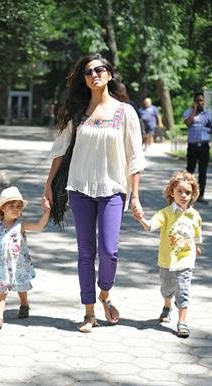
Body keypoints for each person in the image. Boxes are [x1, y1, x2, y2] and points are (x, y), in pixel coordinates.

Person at [44, 54, 147, 333]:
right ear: (84, 79)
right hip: (80, 188)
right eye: (88, 72)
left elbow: (134, 156)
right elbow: (60, 149)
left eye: (99, 69)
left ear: (110, 75)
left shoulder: (126, 112)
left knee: (109, 251)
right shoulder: (78, 113)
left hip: (113, 189)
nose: (94, 74)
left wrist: (135, 195)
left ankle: (104, 293)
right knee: (85, 252)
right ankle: (89, 313)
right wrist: (48, 185)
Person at [133, 171, 202, 338]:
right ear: (172, 192)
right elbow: (150, 226)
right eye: (180, 191)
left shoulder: (195, 216)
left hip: (186, 260)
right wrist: (141, 218)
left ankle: (182, 322)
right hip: (167, 260)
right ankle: (167, 305)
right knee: (166, 289)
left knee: (183, 290)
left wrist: (197, 247)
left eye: (188, 192)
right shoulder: (165, 213)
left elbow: (197, 234)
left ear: (193, 195)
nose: (184, 196)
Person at [0, 186, 50, 329]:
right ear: (2, 208)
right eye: (12, 206)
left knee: (21, 288)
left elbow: (39, 226)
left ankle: (24, 305)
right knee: (1, 293)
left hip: (18, 265)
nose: (16, 209)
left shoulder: (21, 225)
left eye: (19, 206)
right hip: (1, 267)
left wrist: (46, 212)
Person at [184, 93, 212, 206]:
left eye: (202, 101)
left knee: (203, 172)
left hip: (204, 146)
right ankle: (187, 194)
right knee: (190, 170)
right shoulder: (188, 112)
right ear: (194, 101)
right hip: (192, 145)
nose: (200, 103)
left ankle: (200, 196)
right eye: (198, 101)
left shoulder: (208, 113)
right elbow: (188, 123)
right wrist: (194, 110)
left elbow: (211, 128)